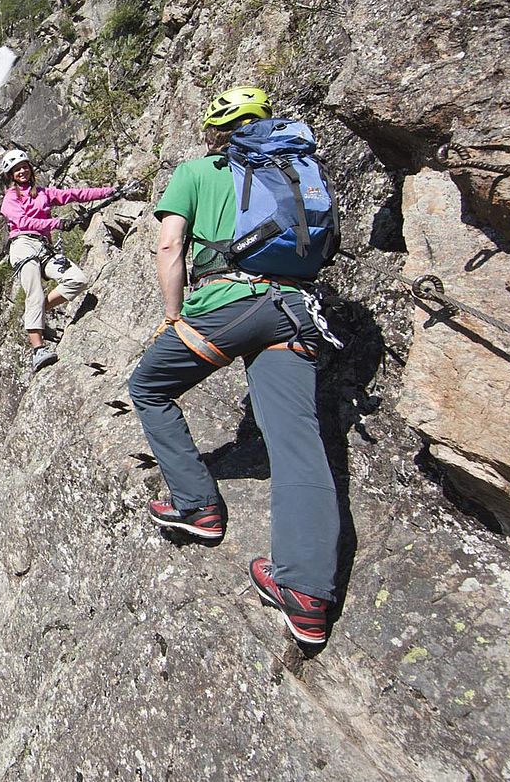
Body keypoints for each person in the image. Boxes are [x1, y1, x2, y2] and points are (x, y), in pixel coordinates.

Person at [127, 86, 341, 645]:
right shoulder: (297, 170)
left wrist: (173, 315)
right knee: (299, 444)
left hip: (229, 305)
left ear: (213, 129)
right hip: (294, 311)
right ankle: (307, 592)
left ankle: (197, 506)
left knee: (149, 385)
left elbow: (170, 246)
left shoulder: (196, 172)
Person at [0, 149, 119, 372]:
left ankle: (36, 312)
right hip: (23, 245)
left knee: (77, 279)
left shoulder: (42, 193)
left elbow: (76, 194)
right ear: (10, 175)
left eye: (25, 166)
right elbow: (23, 222)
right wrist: (56, 223)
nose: (22, 171)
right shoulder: (10, 199)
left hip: (45, 247)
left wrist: (110, 191)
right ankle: (38, 350)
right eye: (17, 169)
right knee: (33, 292)